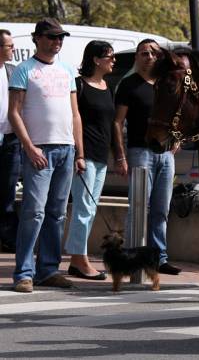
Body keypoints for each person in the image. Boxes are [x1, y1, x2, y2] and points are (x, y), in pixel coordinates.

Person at [9, 18, 84, 293]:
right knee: (34, 212)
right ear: (37, 38)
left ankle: (48, 270)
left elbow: (75, 114)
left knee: (57, 213)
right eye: (52, 37)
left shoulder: (67, 71)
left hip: (66, 149)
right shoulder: (24, 70)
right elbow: (14, 113)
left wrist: (79, 152)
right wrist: (29, 147)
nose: (57, 42)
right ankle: (24, 273)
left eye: (60, 37)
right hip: (39, 149)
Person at [113, 39, 181, 275]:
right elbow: (117, 122)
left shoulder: (166, 83)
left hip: (166, 154)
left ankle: (159, 258)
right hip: (139, 152)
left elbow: (177, 115)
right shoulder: (129, 85)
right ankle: (133, 258)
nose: (149, 57)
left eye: (153, 53)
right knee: (139, 207)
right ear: (137, 58)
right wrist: (120, 156)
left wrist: (178, 139)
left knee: (161, 209)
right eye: (144, 53)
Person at [64, 41, 116, 280]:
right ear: (96, 59)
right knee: (83, 208)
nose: (113, 60)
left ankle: (77, 258)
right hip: (85, 156)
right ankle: (79, 260)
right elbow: (75, 121)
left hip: (101, 156)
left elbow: (111, 124)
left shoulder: (107, 86)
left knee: (90, 209)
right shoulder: (78, 85)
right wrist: (79, 154)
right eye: (109, 56)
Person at [0, 29, 20, 253]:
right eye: (9, 46)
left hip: (10, 140)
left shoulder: (13, 72)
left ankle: (8, 238)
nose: (13, 49)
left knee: (7, 192)